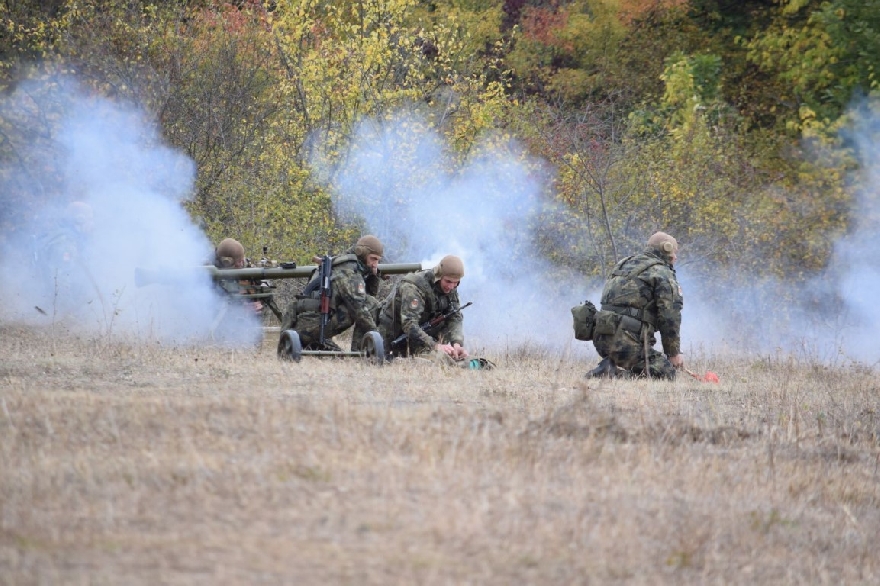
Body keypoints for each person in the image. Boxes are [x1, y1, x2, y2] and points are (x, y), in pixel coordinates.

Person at [588, 231, 684, 379]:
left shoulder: (625, 263)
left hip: (602, 339)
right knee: (665, 373)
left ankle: (609, 365)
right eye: (674, 252)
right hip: (626, 343)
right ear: (667, 249)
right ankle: (611, 374)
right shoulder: (662, 272)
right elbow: (670, 317)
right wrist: (673, 354)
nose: (675, 257)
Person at [279, 235, 385, 351]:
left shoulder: (342, 263)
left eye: (378, 260)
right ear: (362, 253)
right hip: (310, 328)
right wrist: (378, 339)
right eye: (373, 259)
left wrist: (373, 276)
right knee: (371, 304)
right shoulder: (348, 271)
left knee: (337, 353)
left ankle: (314, 344)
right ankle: (360, 352)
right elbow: (360, 309)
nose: (375, 264)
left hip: (305, 327)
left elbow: (367, 294)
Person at [378, 254, 469, 362]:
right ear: (439, 276)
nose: (451, 287)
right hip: (396, 336)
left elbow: (455, 317)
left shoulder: (451, 287)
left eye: (456, 283)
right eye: (448, 281)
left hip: (421, 335)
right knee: (438, 362)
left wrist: (457, 344)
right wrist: (435, 346)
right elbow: (409, 324)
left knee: (451, 360)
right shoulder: (414, 287)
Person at [213, 237, 264, 315]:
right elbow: (213, 304)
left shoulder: (245, 265)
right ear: (227, 262)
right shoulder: (211, 273)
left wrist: (257, 302)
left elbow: (261, 286)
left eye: (242, 260)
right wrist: (241, 307)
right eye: (238, 262)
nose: (241, 264)